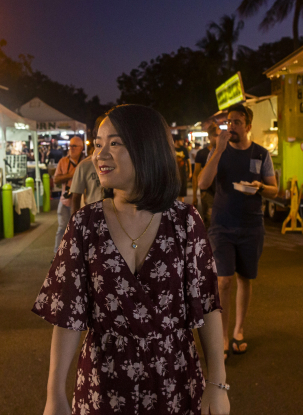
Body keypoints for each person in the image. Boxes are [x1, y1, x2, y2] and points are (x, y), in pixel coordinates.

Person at [34, 104, 229, 415]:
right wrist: (54, 394)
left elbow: (207, 304)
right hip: (103, 388)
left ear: (146, 148)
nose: (99, 155)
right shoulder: (85, 224)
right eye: (98, 144)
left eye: (114, 143)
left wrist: (217, 383)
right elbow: (68, 314)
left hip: (175, 383)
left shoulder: (184, 221)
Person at [197, 103, 277, 361]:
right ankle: (221, 336)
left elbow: (275, 189)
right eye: (229, 122)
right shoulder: (218, 151)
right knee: (223, 280)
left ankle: (238, 331)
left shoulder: (261, 154)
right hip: (222, 224)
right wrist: (218, 150)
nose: (231, 126)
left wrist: (260, 188)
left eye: (237, 122)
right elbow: (203, 183)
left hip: (252, 225)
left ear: (248, 126)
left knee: (245, 278)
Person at [52, 136, 84, 254]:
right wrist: (71, 175)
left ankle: (76, 255)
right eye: (70, 146)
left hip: (82, 202)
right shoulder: (63, 161)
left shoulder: (86, 162)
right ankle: (57, 254)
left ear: (81, 148)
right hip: (65, 200)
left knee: (80, 230)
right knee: (62, 228)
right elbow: (56, 179)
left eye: (74, 146)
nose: (71, 148)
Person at [71, 116, 106, 212]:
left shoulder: (119, 163)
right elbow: (76, 197)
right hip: (93, 213)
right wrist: (76, 219)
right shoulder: (84, 165)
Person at [192, 123, 220, 227]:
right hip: (207, 191)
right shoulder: (201, 153)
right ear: (209, 137)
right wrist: (194, 196)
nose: (218, 138)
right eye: (215, 135)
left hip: (221, 191)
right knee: (209, 219)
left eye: (219, 135)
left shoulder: (224, 152)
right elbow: (196, 174)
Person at [174, 136, 191, 202]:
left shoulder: (184, 149)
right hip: (173, 173)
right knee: (174, 191)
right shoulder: (171, 149)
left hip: (182, 173)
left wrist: (190, 172)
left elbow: (188, 161)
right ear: (176, 141)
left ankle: (181, 205)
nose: (182, 142)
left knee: (182, 191)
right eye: (181, 140)